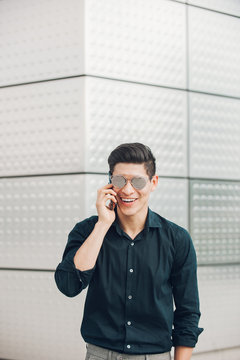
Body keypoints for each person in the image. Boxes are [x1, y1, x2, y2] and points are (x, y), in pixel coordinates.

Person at [54, 142, 203, 360]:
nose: (127, 189)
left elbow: (187, 312)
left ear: (154, 182)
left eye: (138, 181)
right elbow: (68, 285)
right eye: (119, 180)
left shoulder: (177, 239)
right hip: (99, 354)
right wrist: (103, 225)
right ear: (109, 182)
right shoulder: (88, 231)